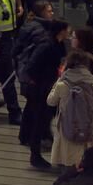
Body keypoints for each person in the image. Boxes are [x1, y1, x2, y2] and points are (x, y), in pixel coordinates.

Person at [47, 50, 93, 170]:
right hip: (89, 133)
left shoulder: (62, 84)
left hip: (67, 132)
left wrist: (58, 81)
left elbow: (50, 101)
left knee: (69, 168)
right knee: (92, 169)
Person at [23, 19, 70, 169]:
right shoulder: (46, 46)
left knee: (45, 119)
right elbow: (31, 67)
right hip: (41, 90)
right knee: (40, 121)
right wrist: (41, 82)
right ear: (61, 31)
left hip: (51, 87)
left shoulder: (59, 45)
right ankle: (35, 154)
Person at [14, 0, 55, 146]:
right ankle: (36, 135)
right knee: (37, 105)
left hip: (26, 72)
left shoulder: (31, 26)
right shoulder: (40, 31)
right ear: (42, 13)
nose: (52, 14)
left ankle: (30, 135)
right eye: (49, 11)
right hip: (34, 74)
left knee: (33, 105)